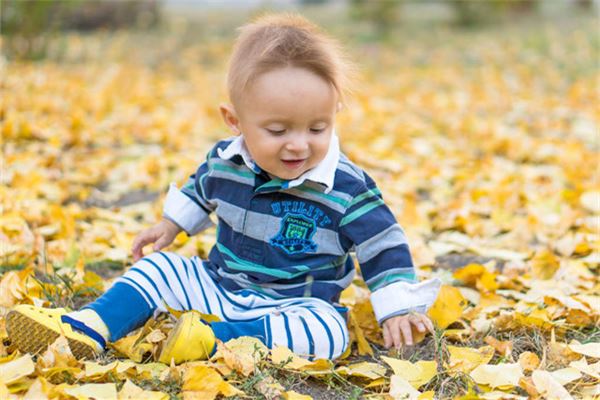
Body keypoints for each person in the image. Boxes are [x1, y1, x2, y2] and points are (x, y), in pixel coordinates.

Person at [7, 13, 441, 363]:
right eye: (277, 129)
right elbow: (202, 187)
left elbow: (384, 244)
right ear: (235, 121)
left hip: (292, 307)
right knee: (158, 269)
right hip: (219, 284)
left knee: (328, 333)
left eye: (317, 127)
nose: (298, 143)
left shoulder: (346, 187)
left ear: (334, 113)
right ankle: (89, 326)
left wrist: (396, 305)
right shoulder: (226, 160)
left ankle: (212, 341)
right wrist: (171, 225)